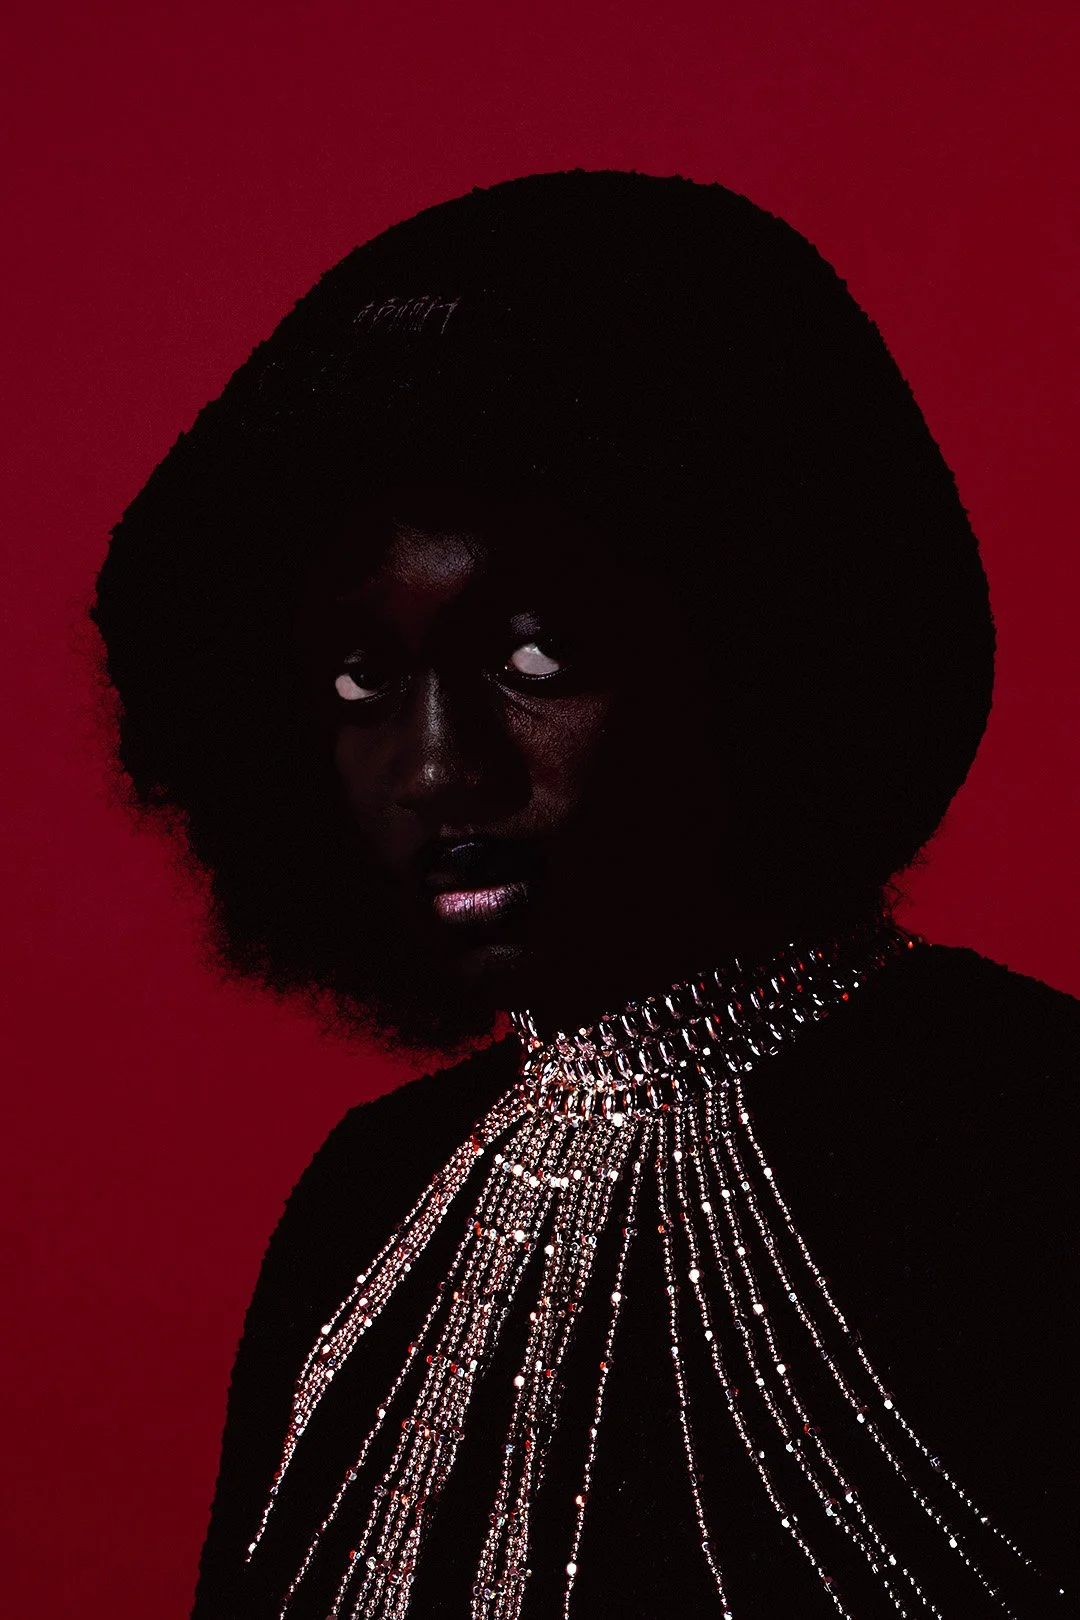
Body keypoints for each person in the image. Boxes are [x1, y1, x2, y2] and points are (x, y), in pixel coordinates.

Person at [90, 170, 1076, 1618]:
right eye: (366, 680)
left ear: (758, 642)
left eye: (533, 662)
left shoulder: (1025, 1147)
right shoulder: (365, 1199)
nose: (436, 770)